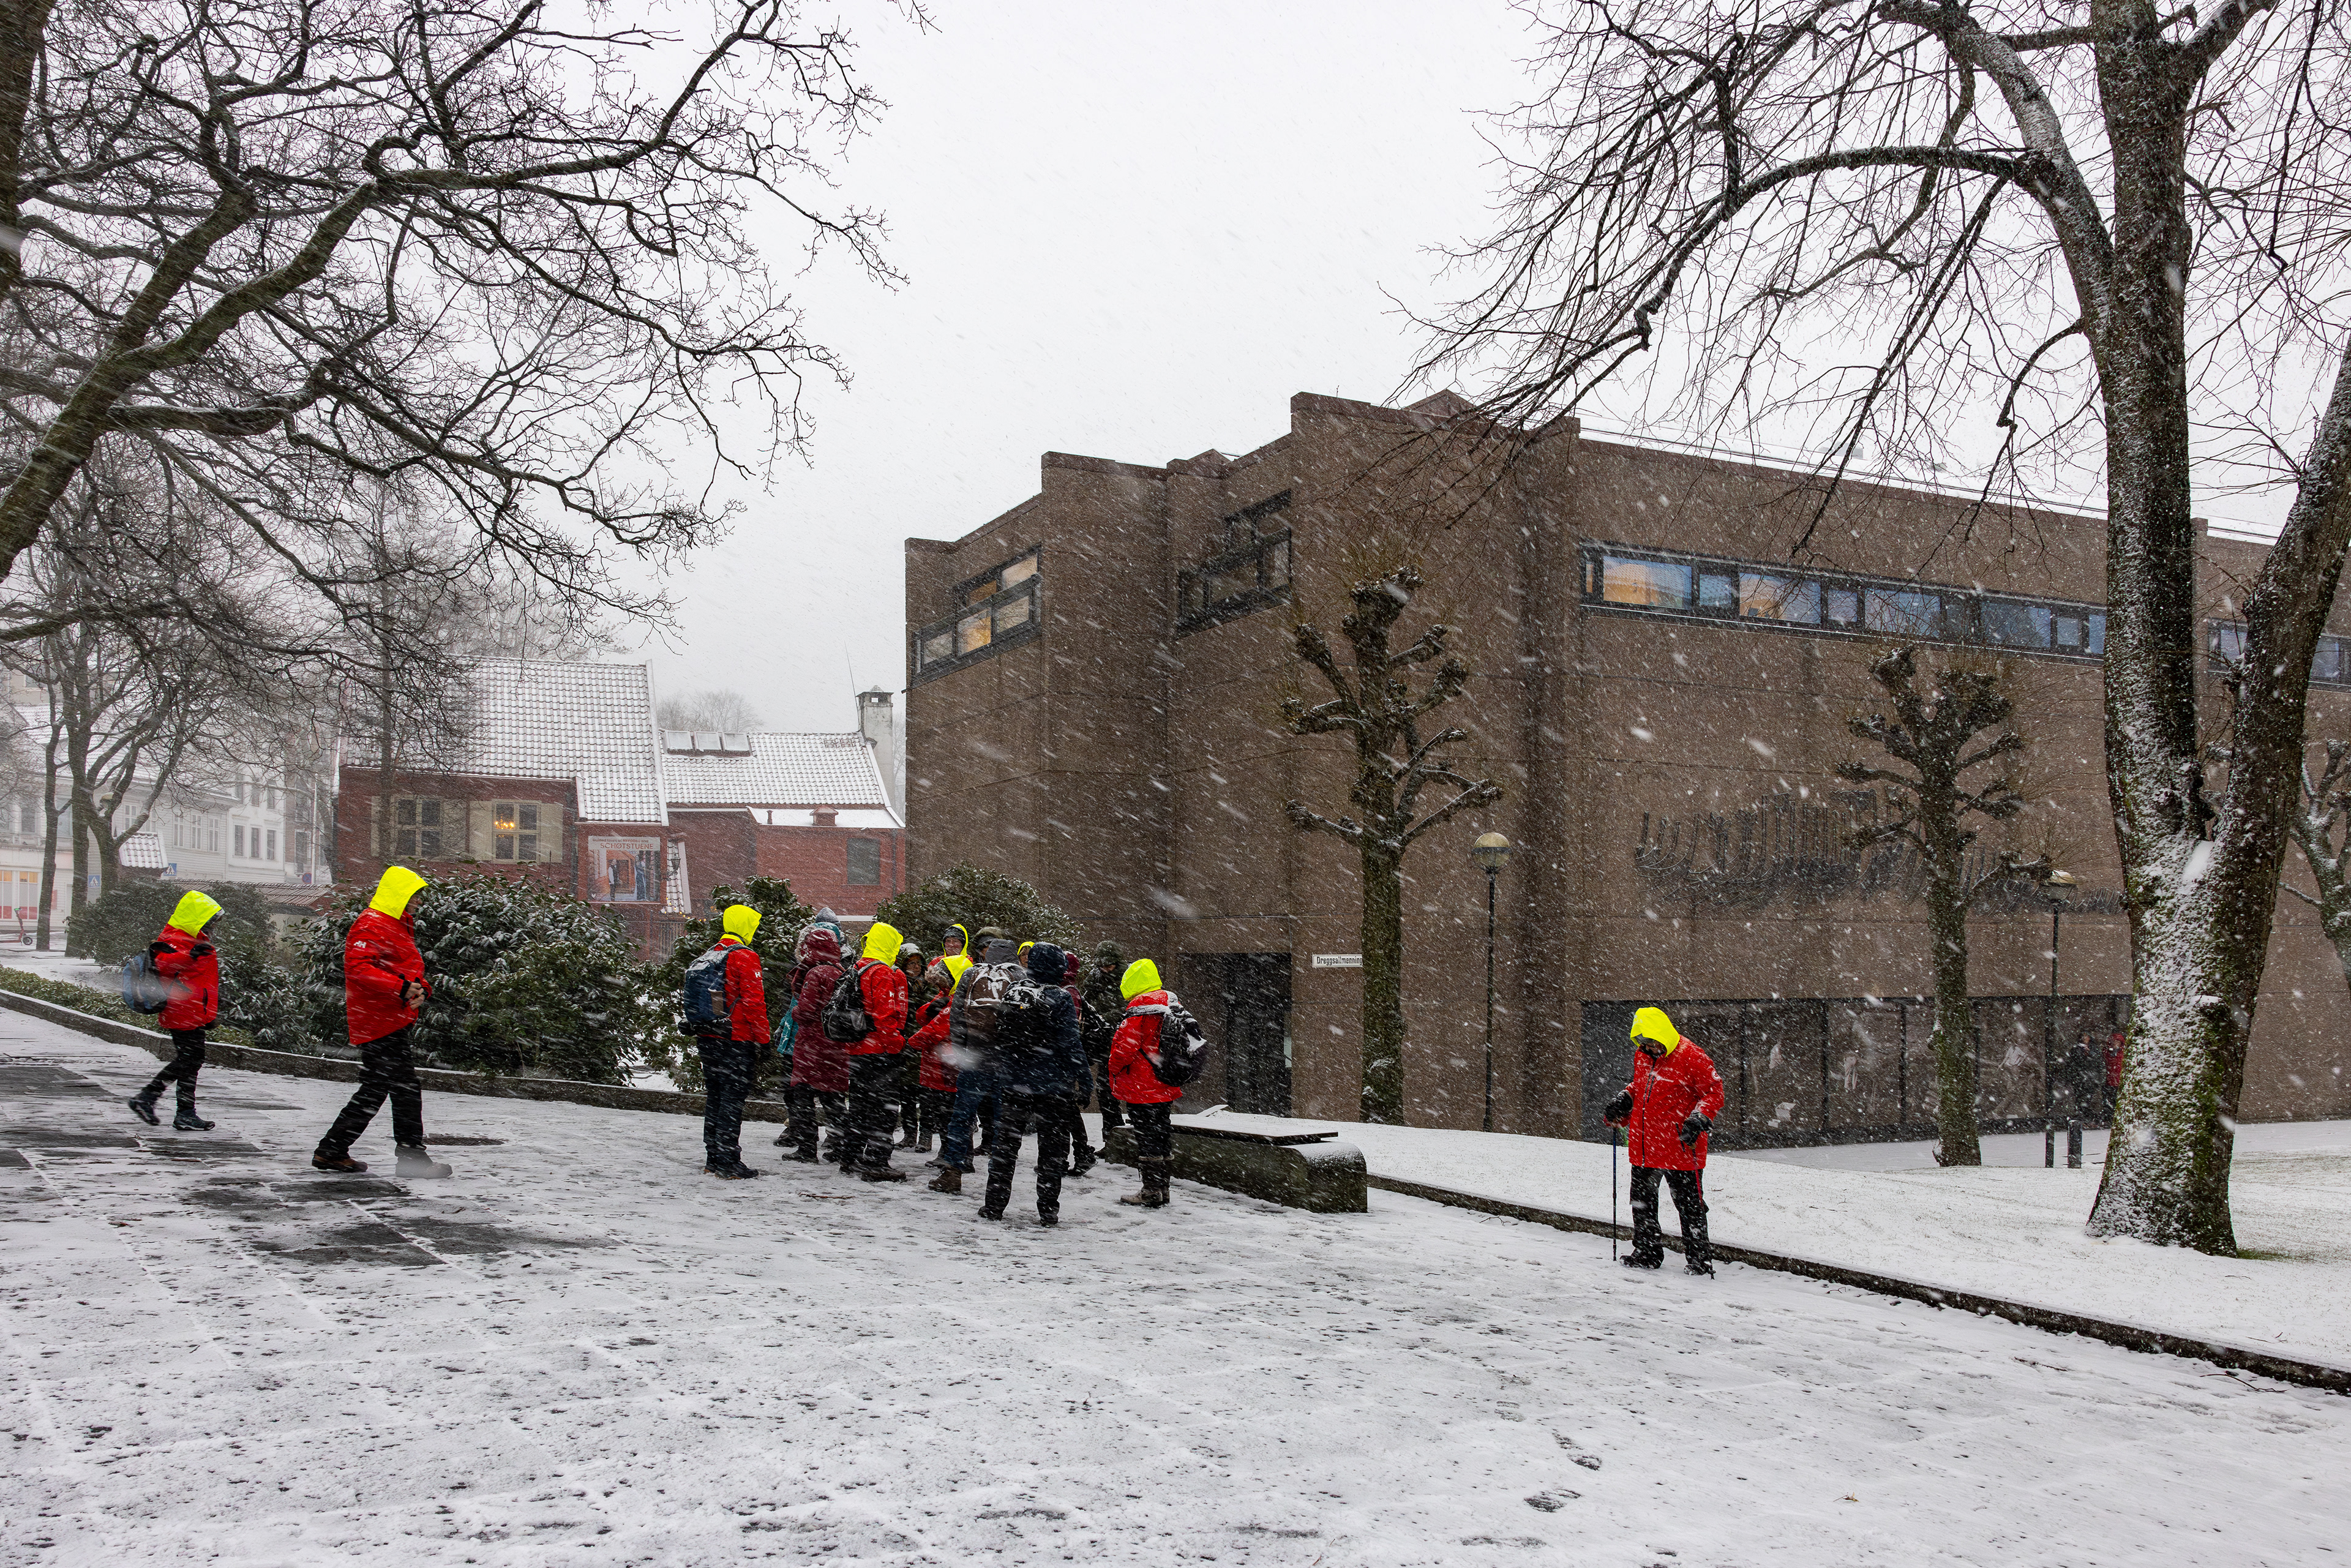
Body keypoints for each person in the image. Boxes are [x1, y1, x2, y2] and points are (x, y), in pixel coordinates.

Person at [313, 867, 448, 1178]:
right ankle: (410, 1158)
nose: (416, 903)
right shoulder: (372, 924)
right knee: (402, 1088)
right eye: (412, 897)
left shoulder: (396, 925)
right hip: (379, 1019)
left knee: (379, 1088)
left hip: (388, 1017)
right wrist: (401, 988)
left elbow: (404, 969)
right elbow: (359, 968)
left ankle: (333, 1150)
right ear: (398, 896)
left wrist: (420, 990)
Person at [1603, 1006, 1723, 1276]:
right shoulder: (1643, 1056)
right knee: (1641, 1202)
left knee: (1690, 1207)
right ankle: (1647, 1253)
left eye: (1654, 1043)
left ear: (1664, 1035)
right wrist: (1625, 1097)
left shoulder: (1692, 1057)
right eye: (1644, 1044)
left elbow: (1714, 1092)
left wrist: (1699, 1118)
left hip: (1681, 1146)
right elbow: (1641, 1087)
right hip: (1645, 1146)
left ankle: (1699, 1261)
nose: (1650, 1049)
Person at [979, 941, 1086, 1225]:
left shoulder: (1014, 993)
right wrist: (1084, 1080)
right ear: (1059, 968)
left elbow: (1000, 1037)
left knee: (1005, 1148)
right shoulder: (1060, 999)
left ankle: (994, 1206)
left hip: (1015, 1084)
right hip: (1054, 1087)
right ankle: (1048, 1210)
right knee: (1051, 1151)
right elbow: (1071, 1044)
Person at [927, 928, 1019, 1194]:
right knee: (1004, 1120)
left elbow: (956, 1019)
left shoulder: (970, 974)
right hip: (1005, 1059)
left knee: (962, 1115)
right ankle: (999, 1179)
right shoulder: (1020, 977)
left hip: (975, 1057)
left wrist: (962, 1052)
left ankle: (952, 1172)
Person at [127, 890, 226, 1131]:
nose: (212, 925)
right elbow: (163, 964)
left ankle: (182, 1112)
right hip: (181, 1010)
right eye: (209, 920)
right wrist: (189, 955)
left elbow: (201, 978)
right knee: (190, 1060)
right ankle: (151, 1099)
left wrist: (209, 1014)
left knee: (191, 1061)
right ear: (196, 917)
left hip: (193, 1010)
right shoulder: (174, 939)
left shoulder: (195, 937)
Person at [687, 903, 770, 1179]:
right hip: (735, 1038)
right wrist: (764, 1038)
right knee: (733, 1099)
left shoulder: (711, 954)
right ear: (747, 926)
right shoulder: (745, 956)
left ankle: (713, 1155)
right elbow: (754, 1002)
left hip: (708, 1034)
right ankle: (728, 1160)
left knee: (716, 1095)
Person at [1107, 958, 1184, 1209]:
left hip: (1142, 1084)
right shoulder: (1172, 1004)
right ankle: (1163, 1188)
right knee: (1162, 1131)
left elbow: (1124, 1048)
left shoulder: (1140, 1008)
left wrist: (1113, 1068)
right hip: (1166, 1079)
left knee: (1147, 1134)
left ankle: (1151, 1190)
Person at [839, 922, 912, 1181]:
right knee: (885, 1109)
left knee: (859, 1105)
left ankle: (850, 1156)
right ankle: (876, 1162)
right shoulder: (881, 971)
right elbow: (885, 1014)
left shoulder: (858, 967)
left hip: (857, 1048)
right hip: (879, 1050)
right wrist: (896, 1045)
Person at [784, 926, 852, 1164]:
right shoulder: (841, 971)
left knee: (803, 1098)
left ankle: (806, 1148)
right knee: (833, 1099)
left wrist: (794, 1012)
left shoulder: (815, 973)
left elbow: (806, 1011)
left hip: (813, 1046)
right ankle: (842, 1146)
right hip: (836, 1046)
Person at [1079, 941, 1127, 1139]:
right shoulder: (1095, 978)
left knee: (1128, 1094)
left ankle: (1129, 1140)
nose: (1105, 969)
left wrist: (1106, 1017)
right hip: (1101, 1042)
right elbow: (1085, 1002)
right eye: (1102, 965)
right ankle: (1111, 1139)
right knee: (1105, 1093)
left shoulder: (1128, 977)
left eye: (1110, 965)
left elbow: (1129, 1006)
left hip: (1122, 1041)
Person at [891, 943, 929, 1147]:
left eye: (918, 964)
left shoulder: (929, 986)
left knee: (926, 1096)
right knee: (906, 1094)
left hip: (923, 1045)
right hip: (905, 1045)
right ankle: (909, 1134)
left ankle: (926, 1136)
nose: (915, 967)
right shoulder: (898, 984)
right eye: (911, 963)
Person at [2104, 1028, 2127, 1121]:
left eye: (2117, 1041)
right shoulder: (2106, 1052)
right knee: (2109, 1103)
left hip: (2120, 1081)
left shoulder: (2124, 1052)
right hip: (2109, 1082)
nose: (2115, 1044)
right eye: (2113, 1041)